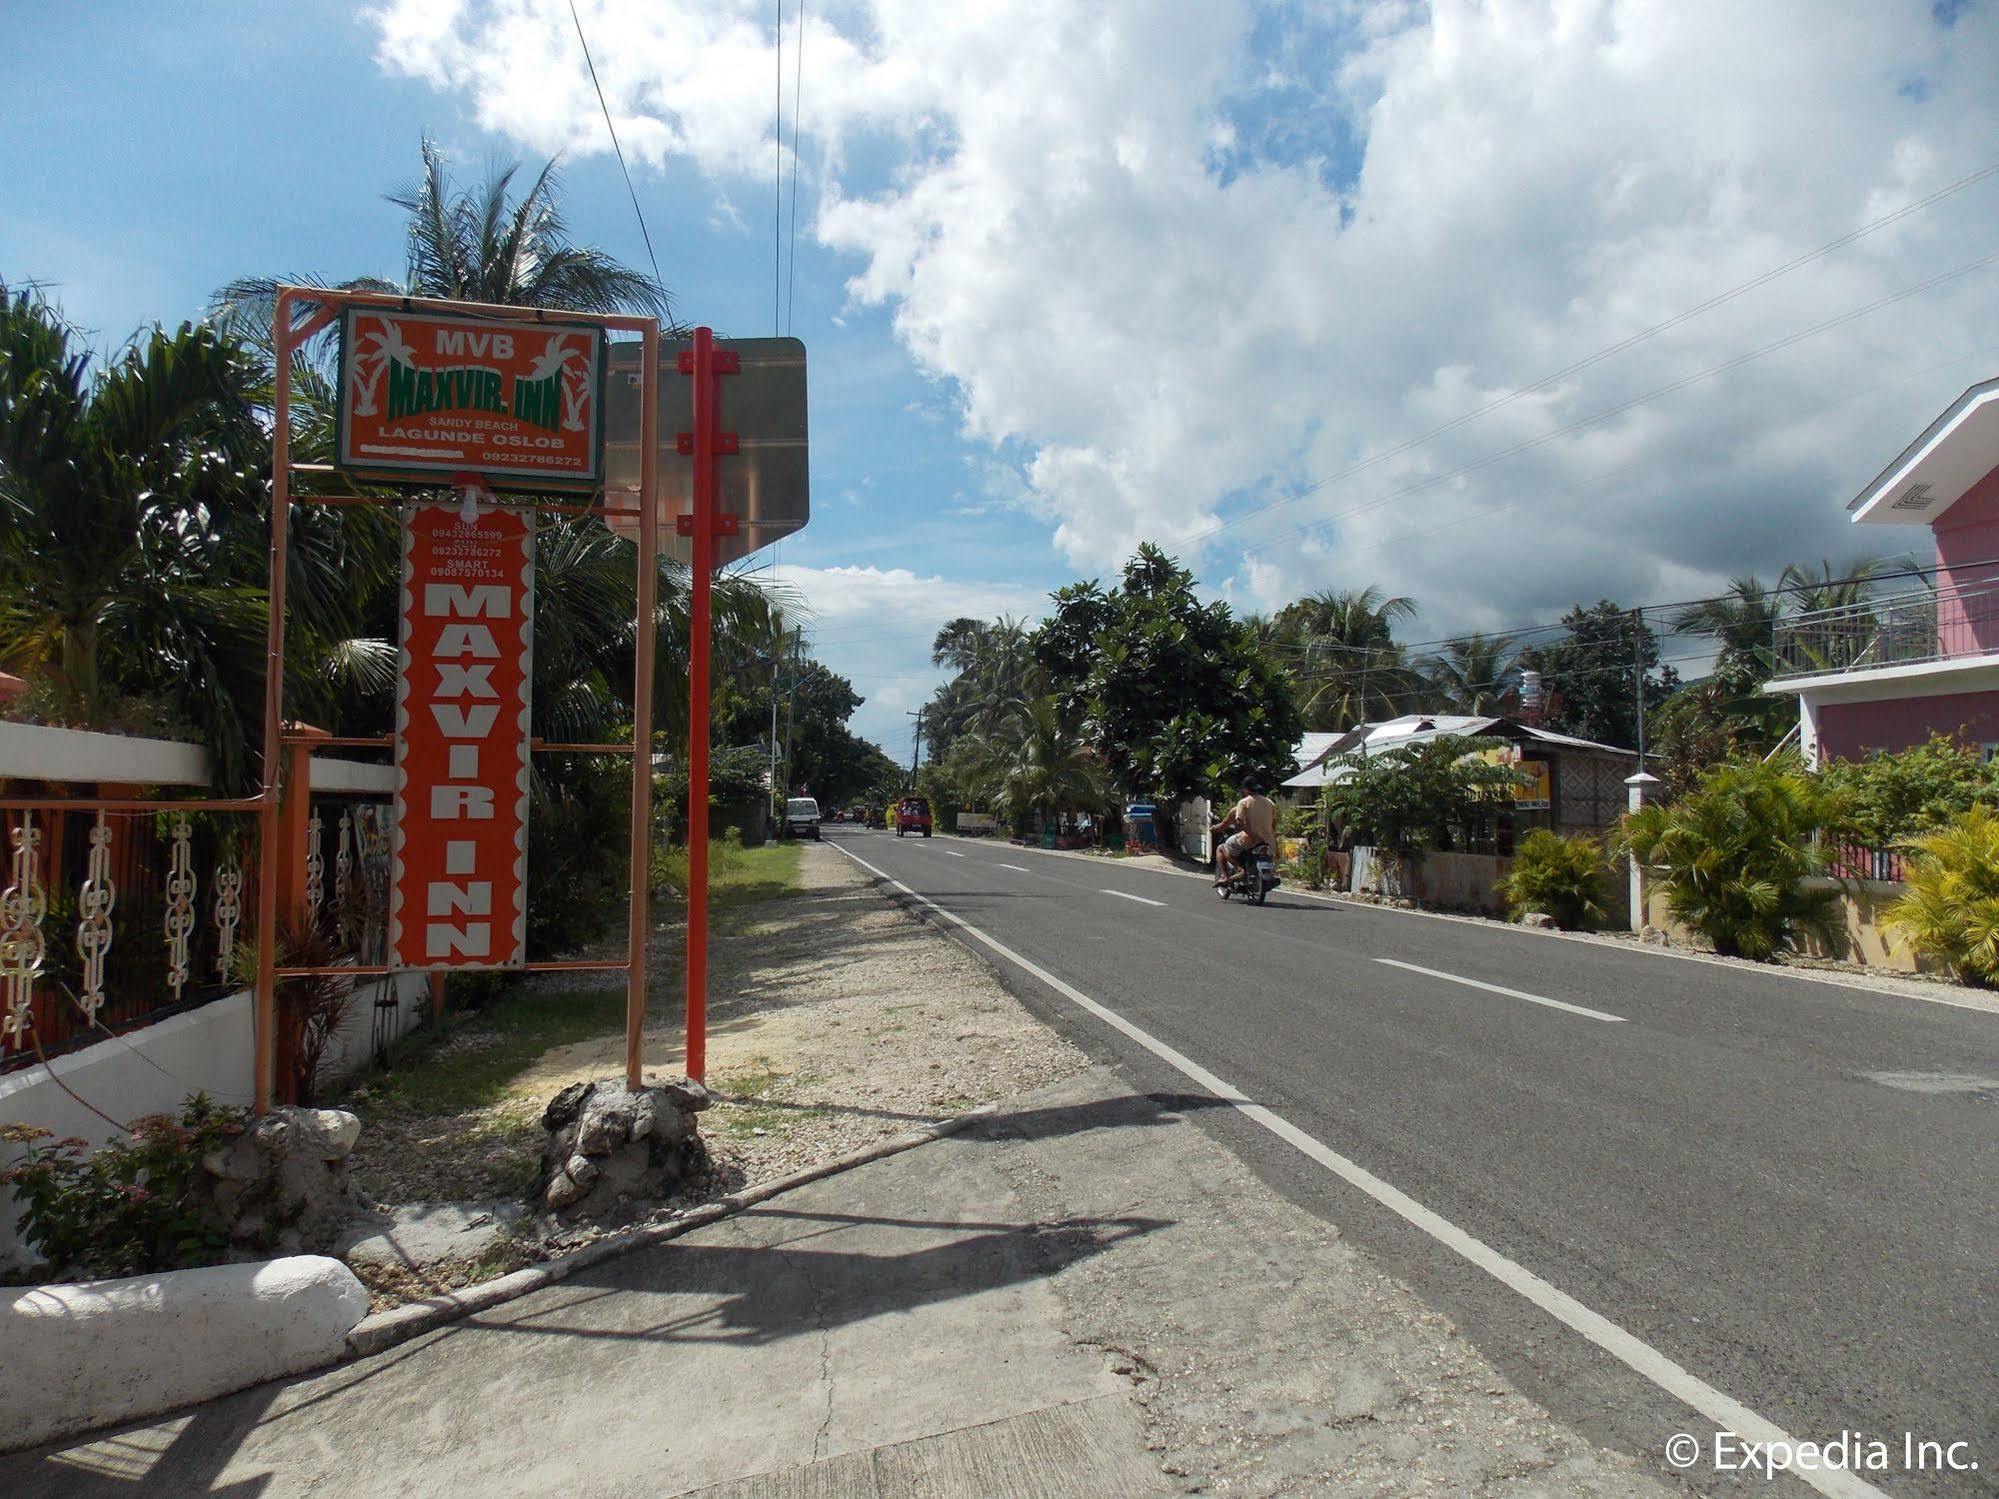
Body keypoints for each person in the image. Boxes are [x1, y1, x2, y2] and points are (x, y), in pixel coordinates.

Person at [1212, 776, 1277, 889]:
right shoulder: (1270, 803)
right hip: (1268, 840)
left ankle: (1234, 872)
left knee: (1222, 847)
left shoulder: (1243, 803)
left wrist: (1251, 833)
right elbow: (1274, 823)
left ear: (1246, 790)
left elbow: (1239, 821)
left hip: (1248, 840)